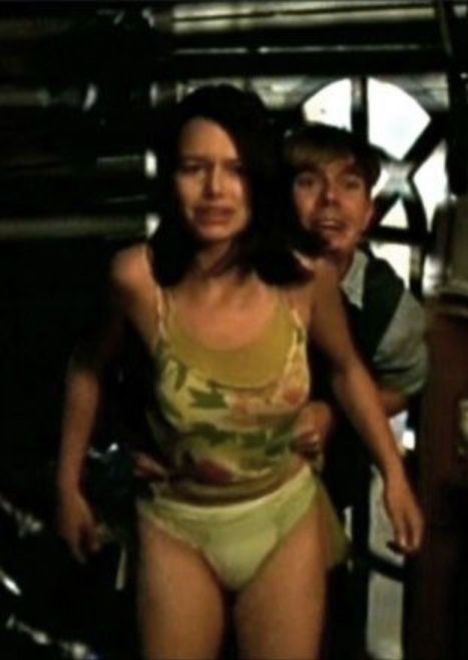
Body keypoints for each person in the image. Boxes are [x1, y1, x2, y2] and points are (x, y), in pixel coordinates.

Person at [56, 85, 423, 660]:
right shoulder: (137, 280)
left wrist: (394, 476)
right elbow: (87, 368)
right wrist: (68, 482)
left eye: (235, 170)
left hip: (282, 517)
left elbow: (348, 369)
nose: (214, 190)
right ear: (170, 179)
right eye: (194, 169)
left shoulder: (305, 277)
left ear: (260, 181)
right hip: (177, 521)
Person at [284, 122, 428, 511]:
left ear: (368, 213)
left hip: (332, 491)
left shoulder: (387, 306)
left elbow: (404, 386)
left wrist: (334, 415)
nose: (330, 198)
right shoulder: (251, 280)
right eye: (309, 182)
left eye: (349, 184)